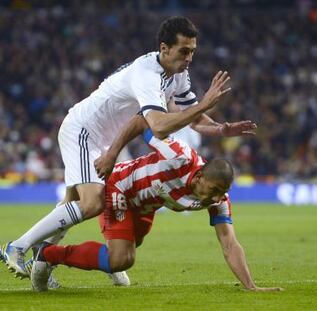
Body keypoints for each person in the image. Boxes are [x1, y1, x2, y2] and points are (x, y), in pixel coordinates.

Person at [1, 16, 256, 280]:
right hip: (85, 129)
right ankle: (17, 246)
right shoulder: (147, 73)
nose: (189, 58)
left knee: (73, 204)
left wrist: (220, 129)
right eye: (184, 51)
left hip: (105, 138)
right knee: (92, 203)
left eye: (192, 51)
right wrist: (204, 104)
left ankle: (43, 259)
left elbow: (192, 117)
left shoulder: (178, 75)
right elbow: (156, 125)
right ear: (164, 48)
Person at [30, 128, 282, 293]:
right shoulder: (180, 156)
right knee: (122, 258)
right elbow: (145, 126)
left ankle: (107, 261)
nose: (216, 197)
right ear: (200, 176)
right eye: (214, 189)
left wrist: (250, 285)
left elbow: (229, 242)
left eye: (221, 192)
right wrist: (112, 152)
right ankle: (48, 254)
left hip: (146, 205)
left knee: (131, 245)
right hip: (120, 187)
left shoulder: (218, 200)